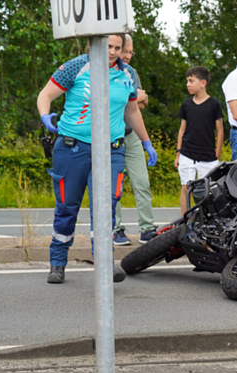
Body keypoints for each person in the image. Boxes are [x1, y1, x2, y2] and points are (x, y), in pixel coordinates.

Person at [36, 33, 157, 284]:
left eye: (117, 47)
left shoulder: (128, 75)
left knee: (106, 208)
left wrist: (146, 141)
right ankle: (57, 262)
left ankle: (105, 261)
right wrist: (45, 116)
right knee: (67, 207)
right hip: (73, 148)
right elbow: (45, 95)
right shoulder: (77, 66)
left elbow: (132, 110)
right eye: (107, 46)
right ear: (94, 44)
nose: (112, 52)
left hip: (111, 149)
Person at [112, 35, 156, 245]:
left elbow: (141, 105)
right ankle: (115, 229)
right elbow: (135, 99)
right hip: (111, 137)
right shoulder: (107, 70)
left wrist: (137, 99)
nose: (128, 56)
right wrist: (137, 97)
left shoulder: (131, 72)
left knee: (142, 182)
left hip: (131, 134)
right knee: (114, 186)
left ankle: (147, 229)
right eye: (125, 51)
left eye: (130, 52)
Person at [173, 66, 224, 217]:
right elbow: (182, 129)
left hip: (208, 156)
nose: (187, 84)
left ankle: (206, 220)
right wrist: (178, 153)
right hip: (187, 153)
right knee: (185, 188)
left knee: (206, 192)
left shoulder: (214, 104)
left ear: (203, 83)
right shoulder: (186, 105)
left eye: (191, 81)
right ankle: (185, 221)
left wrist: (217, 154)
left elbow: (220, 130)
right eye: (187, 81)